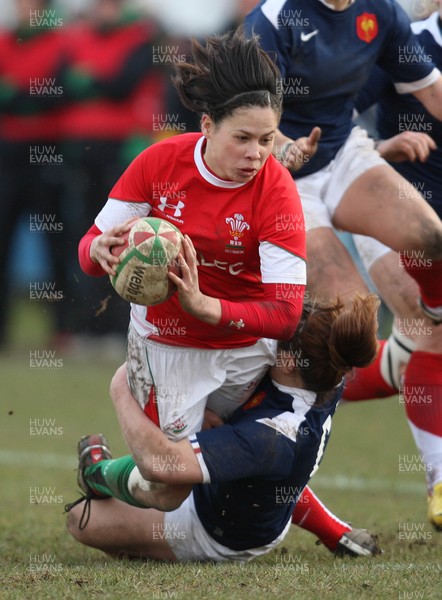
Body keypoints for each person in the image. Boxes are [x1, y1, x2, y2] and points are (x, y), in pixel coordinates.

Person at [244, 0, 442, 526]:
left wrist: (372, 146)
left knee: (430, 237)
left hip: (345, 156)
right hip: (289, 178)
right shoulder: (274, 20)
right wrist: (285, 148)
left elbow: (430, 90)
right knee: (349, 323)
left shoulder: (383, 13)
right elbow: (250, 122)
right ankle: (257, 412)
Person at [78, 29, 307, 447]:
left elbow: (286, 314)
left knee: (253, 466)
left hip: (247, 349)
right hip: (167, 346)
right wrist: (97, 248)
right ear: (207, 125)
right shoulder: (160, 163)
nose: (255, 154)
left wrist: (207, 307)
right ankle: (106, 463)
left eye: (267, 140)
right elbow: (90, 254)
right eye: (242, 138)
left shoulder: (277, 189)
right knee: (170, 487)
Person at [66, 294, 381, 561]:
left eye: (278, 341)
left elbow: (164, 466)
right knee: (267, 475)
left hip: (220, 530)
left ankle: (97, 473)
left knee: (81, 518)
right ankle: (334, 531)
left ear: (290, 363)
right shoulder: (329, 373)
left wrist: (121, 387)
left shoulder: (272, 437)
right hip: (264, 486)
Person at [347, 0, 442, 530]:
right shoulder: (411, 47)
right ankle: (439, 483)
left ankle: (295, 379)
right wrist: (382, 148)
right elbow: (332, 118)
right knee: (431, 332)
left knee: (413, 354)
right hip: (392, 217)